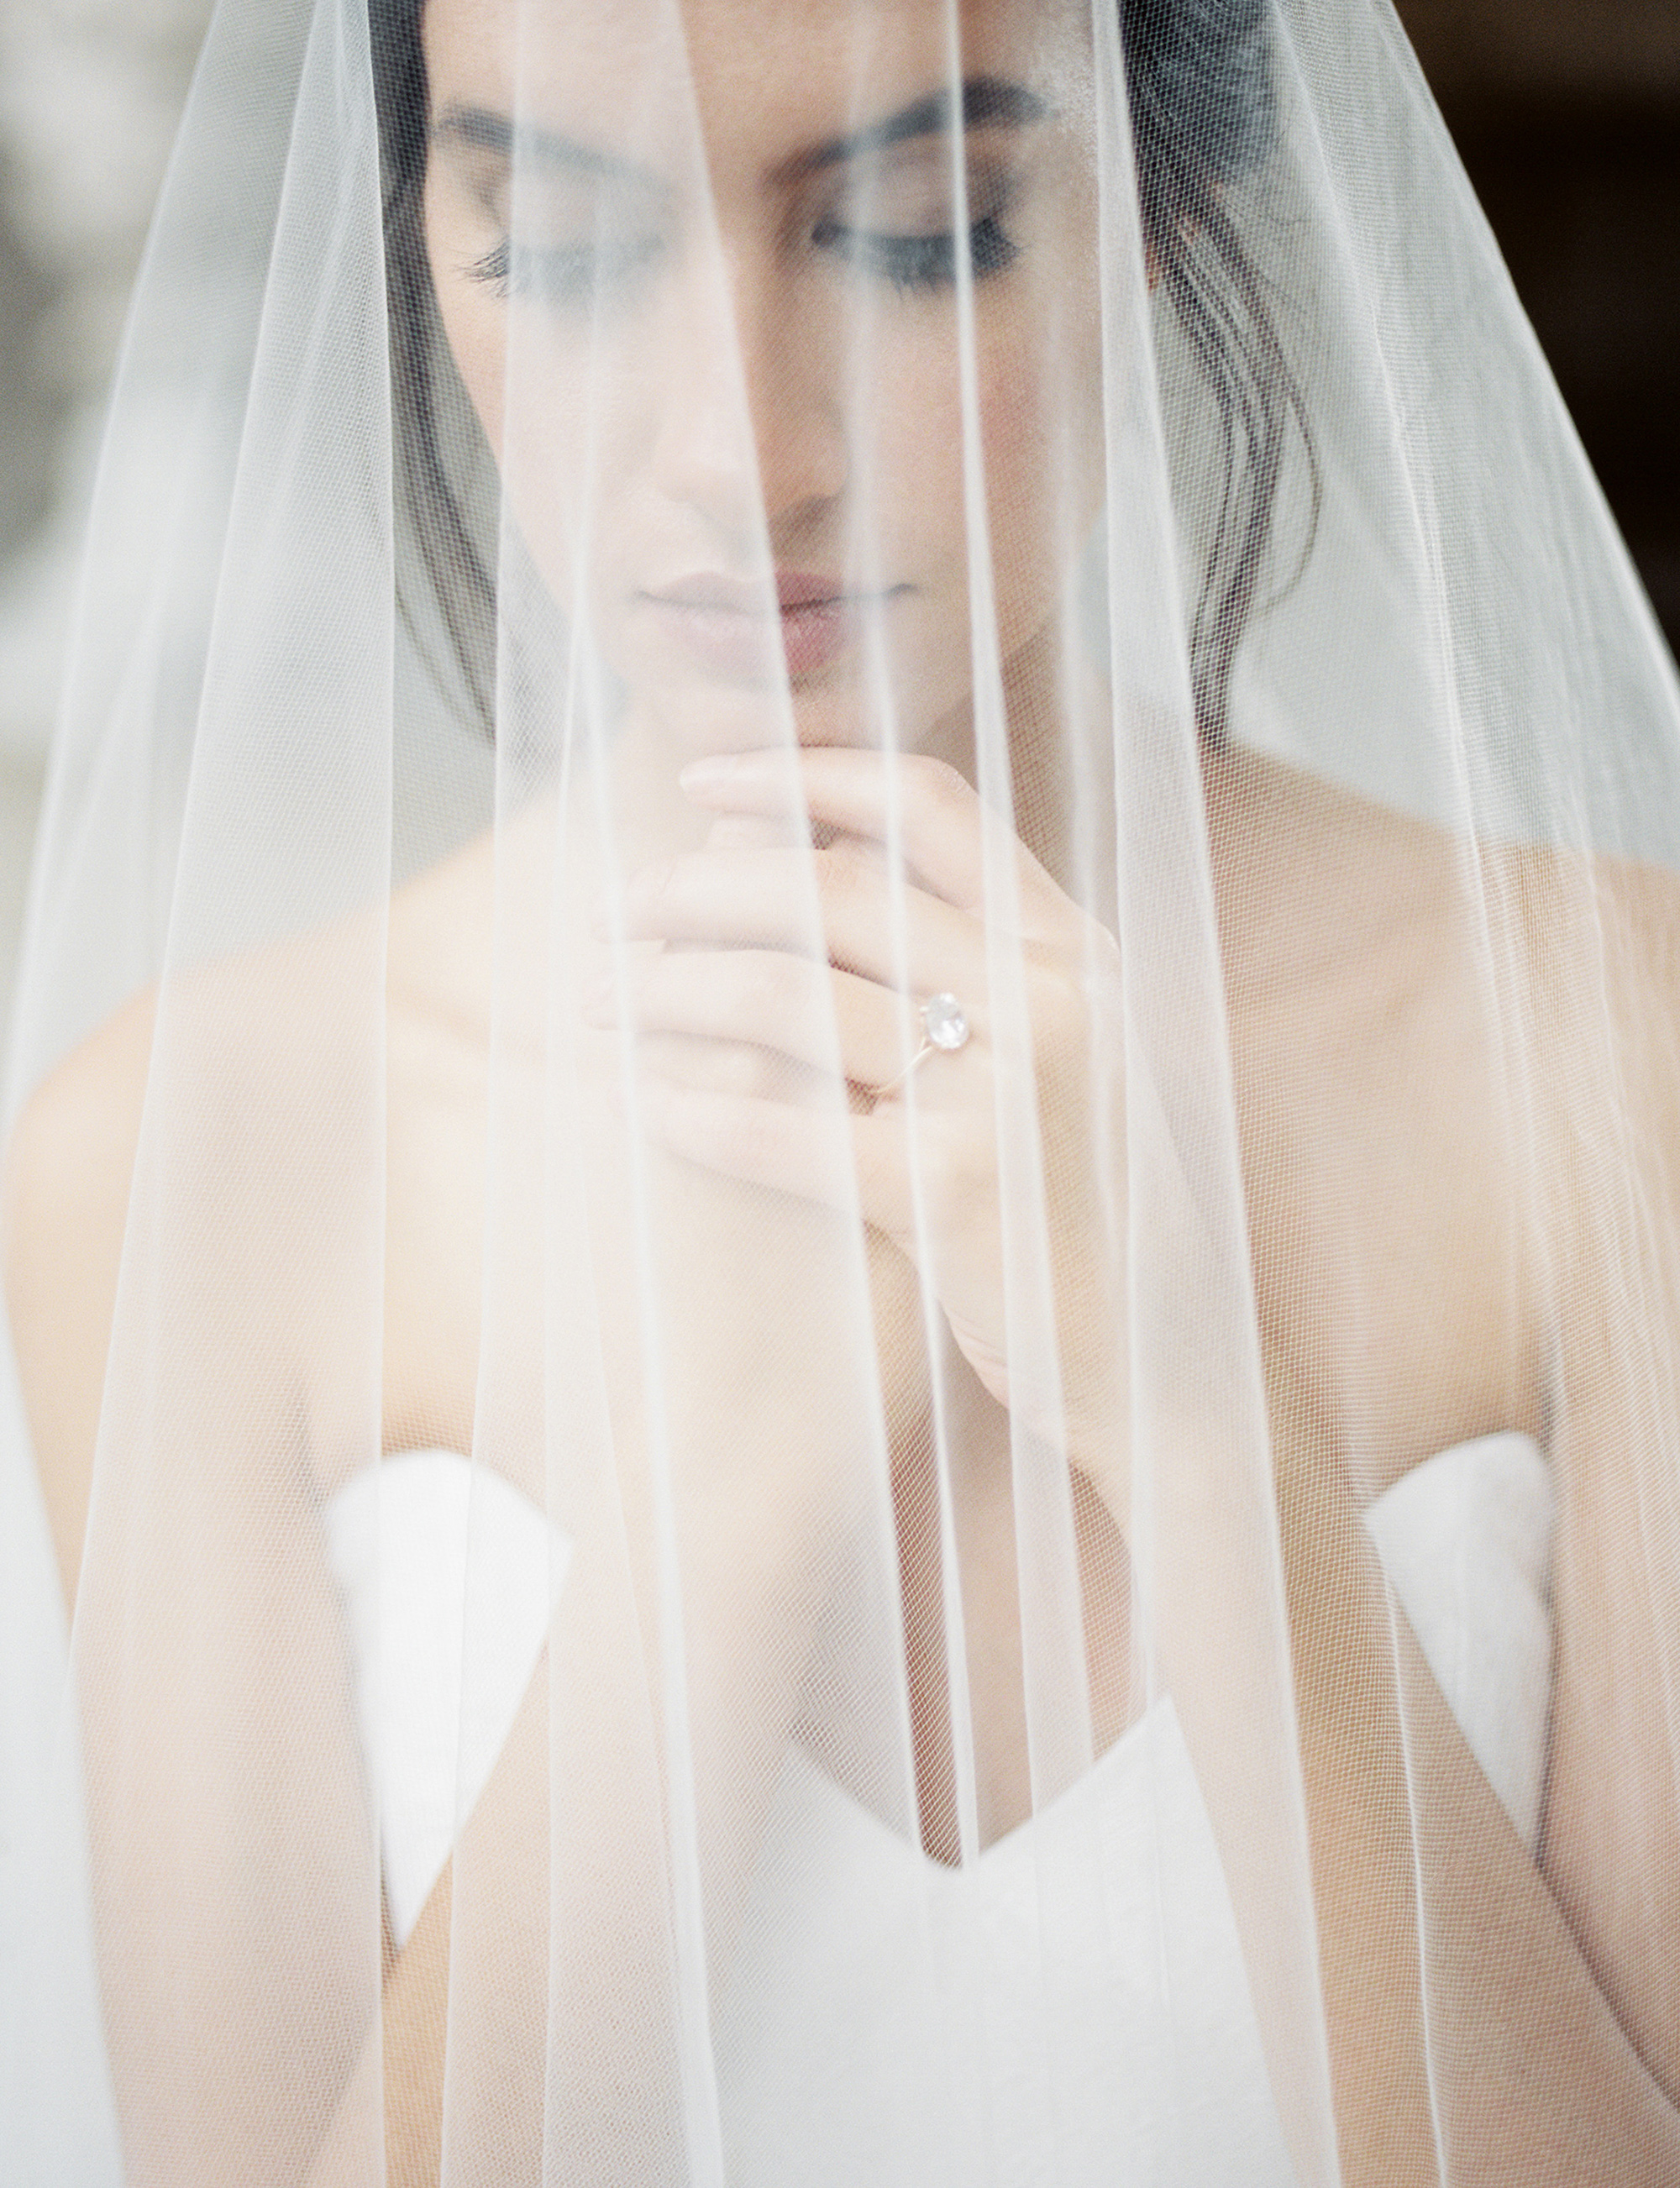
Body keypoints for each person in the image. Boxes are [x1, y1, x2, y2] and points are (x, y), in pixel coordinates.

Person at [4, 0, 1680, 2180]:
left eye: (915, 233)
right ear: (424, 228)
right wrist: (724, 1482)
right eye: (565, 247)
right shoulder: (187, 1158)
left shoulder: (1616, 1047)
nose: (742, 451)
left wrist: (1198, 1421)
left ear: (1162, 198)